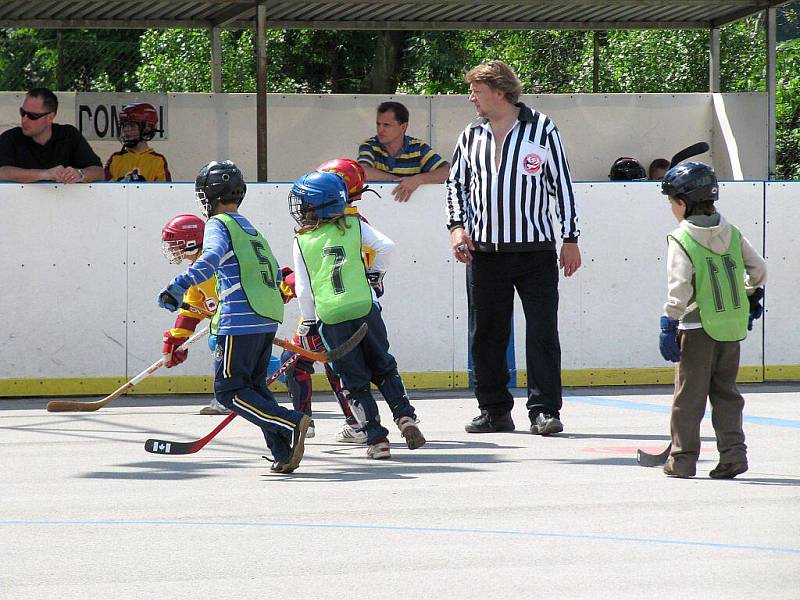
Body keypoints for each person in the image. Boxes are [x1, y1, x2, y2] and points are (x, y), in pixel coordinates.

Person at [446, 60, 581, 436]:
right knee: (486, 333)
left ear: (499, 91)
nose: (471, 97)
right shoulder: (470, 133)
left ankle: (543, 410)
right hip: (484, 253)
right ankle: (493, 409)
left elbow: (563, 187)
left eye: (476, 90)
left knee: (541, 332)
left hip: (535, 251)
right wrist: (457, 228)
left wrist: (570, 238)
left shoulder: (542, 129)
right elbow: (456, 185)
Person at [157, 160, 310, 474]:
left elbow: (209, 258)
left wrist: (178, 285)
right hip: (266, 317)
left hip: (238, 320)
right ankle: (282, 452)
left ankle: (291, 422)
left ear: (208, 194)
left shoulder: (218, 223)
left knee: (228, 392)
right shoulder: (248, 227)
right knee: (254, 388)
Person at [288, 170, 425, 459]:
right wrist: (374, 275)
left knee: (353, 382)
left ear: (316, 206)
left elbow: (303, 289)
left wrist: (310, 324)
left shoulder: (302, 241)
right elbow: (387, 247)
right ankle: (405, 417)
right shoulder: (353, 224)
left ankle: (376, 439)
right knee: (384, 367)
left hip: (332, 318)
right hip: (365, 308)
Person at [659, 161, 766, 479]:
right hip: (731, 327)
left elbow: (679, 287)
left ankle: (683, 459)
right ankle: (733, 455)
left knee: (689, 397)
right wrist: (749, 296)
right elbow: (759, 269)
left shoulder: (682, 239)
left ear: (682, 202)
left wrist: (669, 322)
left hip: (696, 328)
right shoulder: (732, 232)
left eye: (671, 203)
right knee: (727, 394)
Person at [160, 213, 230, 416]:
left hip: (242, 323)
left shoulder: (216, 266)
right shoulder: (196, 272)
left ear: (192, 242)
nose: (172, 249)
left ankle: (226, 399)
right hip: (231, 327)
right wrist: (176, 339)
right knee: (266, 365)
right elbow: (191, 310)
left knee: (217, 341)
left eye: (176, 243)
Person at [0, 88, 103, 183]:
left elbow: (99, 172)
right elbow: (3, 172)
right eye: (23, 113)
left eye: (32, 116)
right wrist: (45, 174)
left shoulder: (69, 135)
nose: (24, 120)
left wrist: (80, 174)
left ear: (50, 117)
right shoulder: (10, 138)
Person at [358, 101, 449, 202]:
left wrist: (418, 180)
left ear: (403, 127)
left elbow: (447, 171)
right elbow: (362, 171)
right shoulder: (370, 145)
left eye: (386, 125)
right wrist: (401, 182)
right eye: (378, 124)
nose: (380, 129)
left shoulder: (418, 148)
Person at [105, 102, 171, 182]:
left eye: (132, 125)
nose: (126, 130)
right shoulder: (115, 159)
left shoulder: (158, 160)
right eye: (125, 125)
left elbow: (164, 191)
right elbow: (105, 189)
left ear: (147, 128)